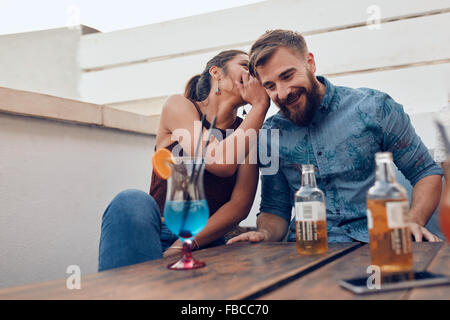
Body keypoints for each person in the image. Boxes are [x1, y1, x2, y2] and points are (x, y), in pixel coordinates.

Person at [228, 29, 444, 246]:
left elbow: (425, 172)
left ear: (310, 63)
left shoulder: (375, 108)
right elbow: (275, 209)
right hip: (308, 252)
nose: (282, 93)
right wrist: (264, 233)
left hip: (380, 244)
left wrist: (413, 221)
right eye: (270, 86)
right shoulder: (269, 135)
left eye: (287, 76)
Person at [98, 50, 270, 271]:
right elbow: (220, 162)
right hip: (156, 233)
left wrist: (181, 247)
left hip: (207, 240)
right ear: (216, 73)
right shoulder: (179, 106)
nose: (252, 75)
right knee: (131, 200)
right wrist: (259, 106)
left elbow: (238, 206)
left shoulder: (248, 129)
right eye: (246, 66)